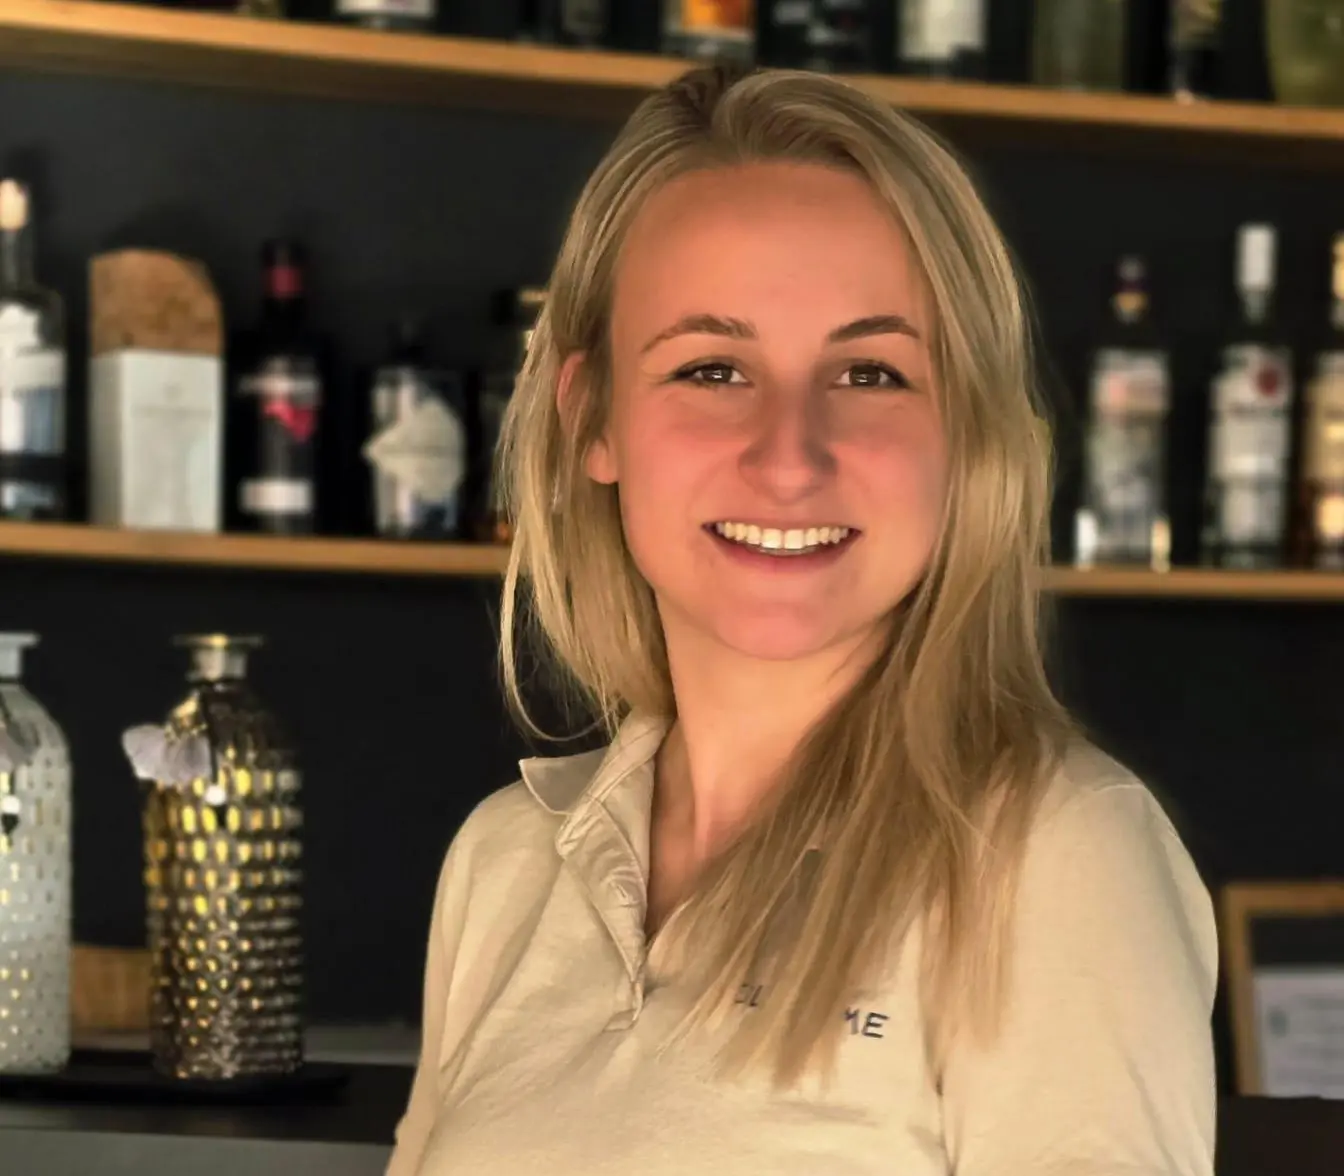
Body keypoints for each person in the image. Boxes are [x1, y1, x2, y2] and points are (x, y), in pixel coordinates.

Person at [386, 64, 1217, 1176]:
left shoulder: (1053, 856)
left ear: (964, 435)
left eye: (869, 374)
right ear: (593, 420)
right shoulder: (506, 861)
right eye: (712, 368)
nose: (790, 457)